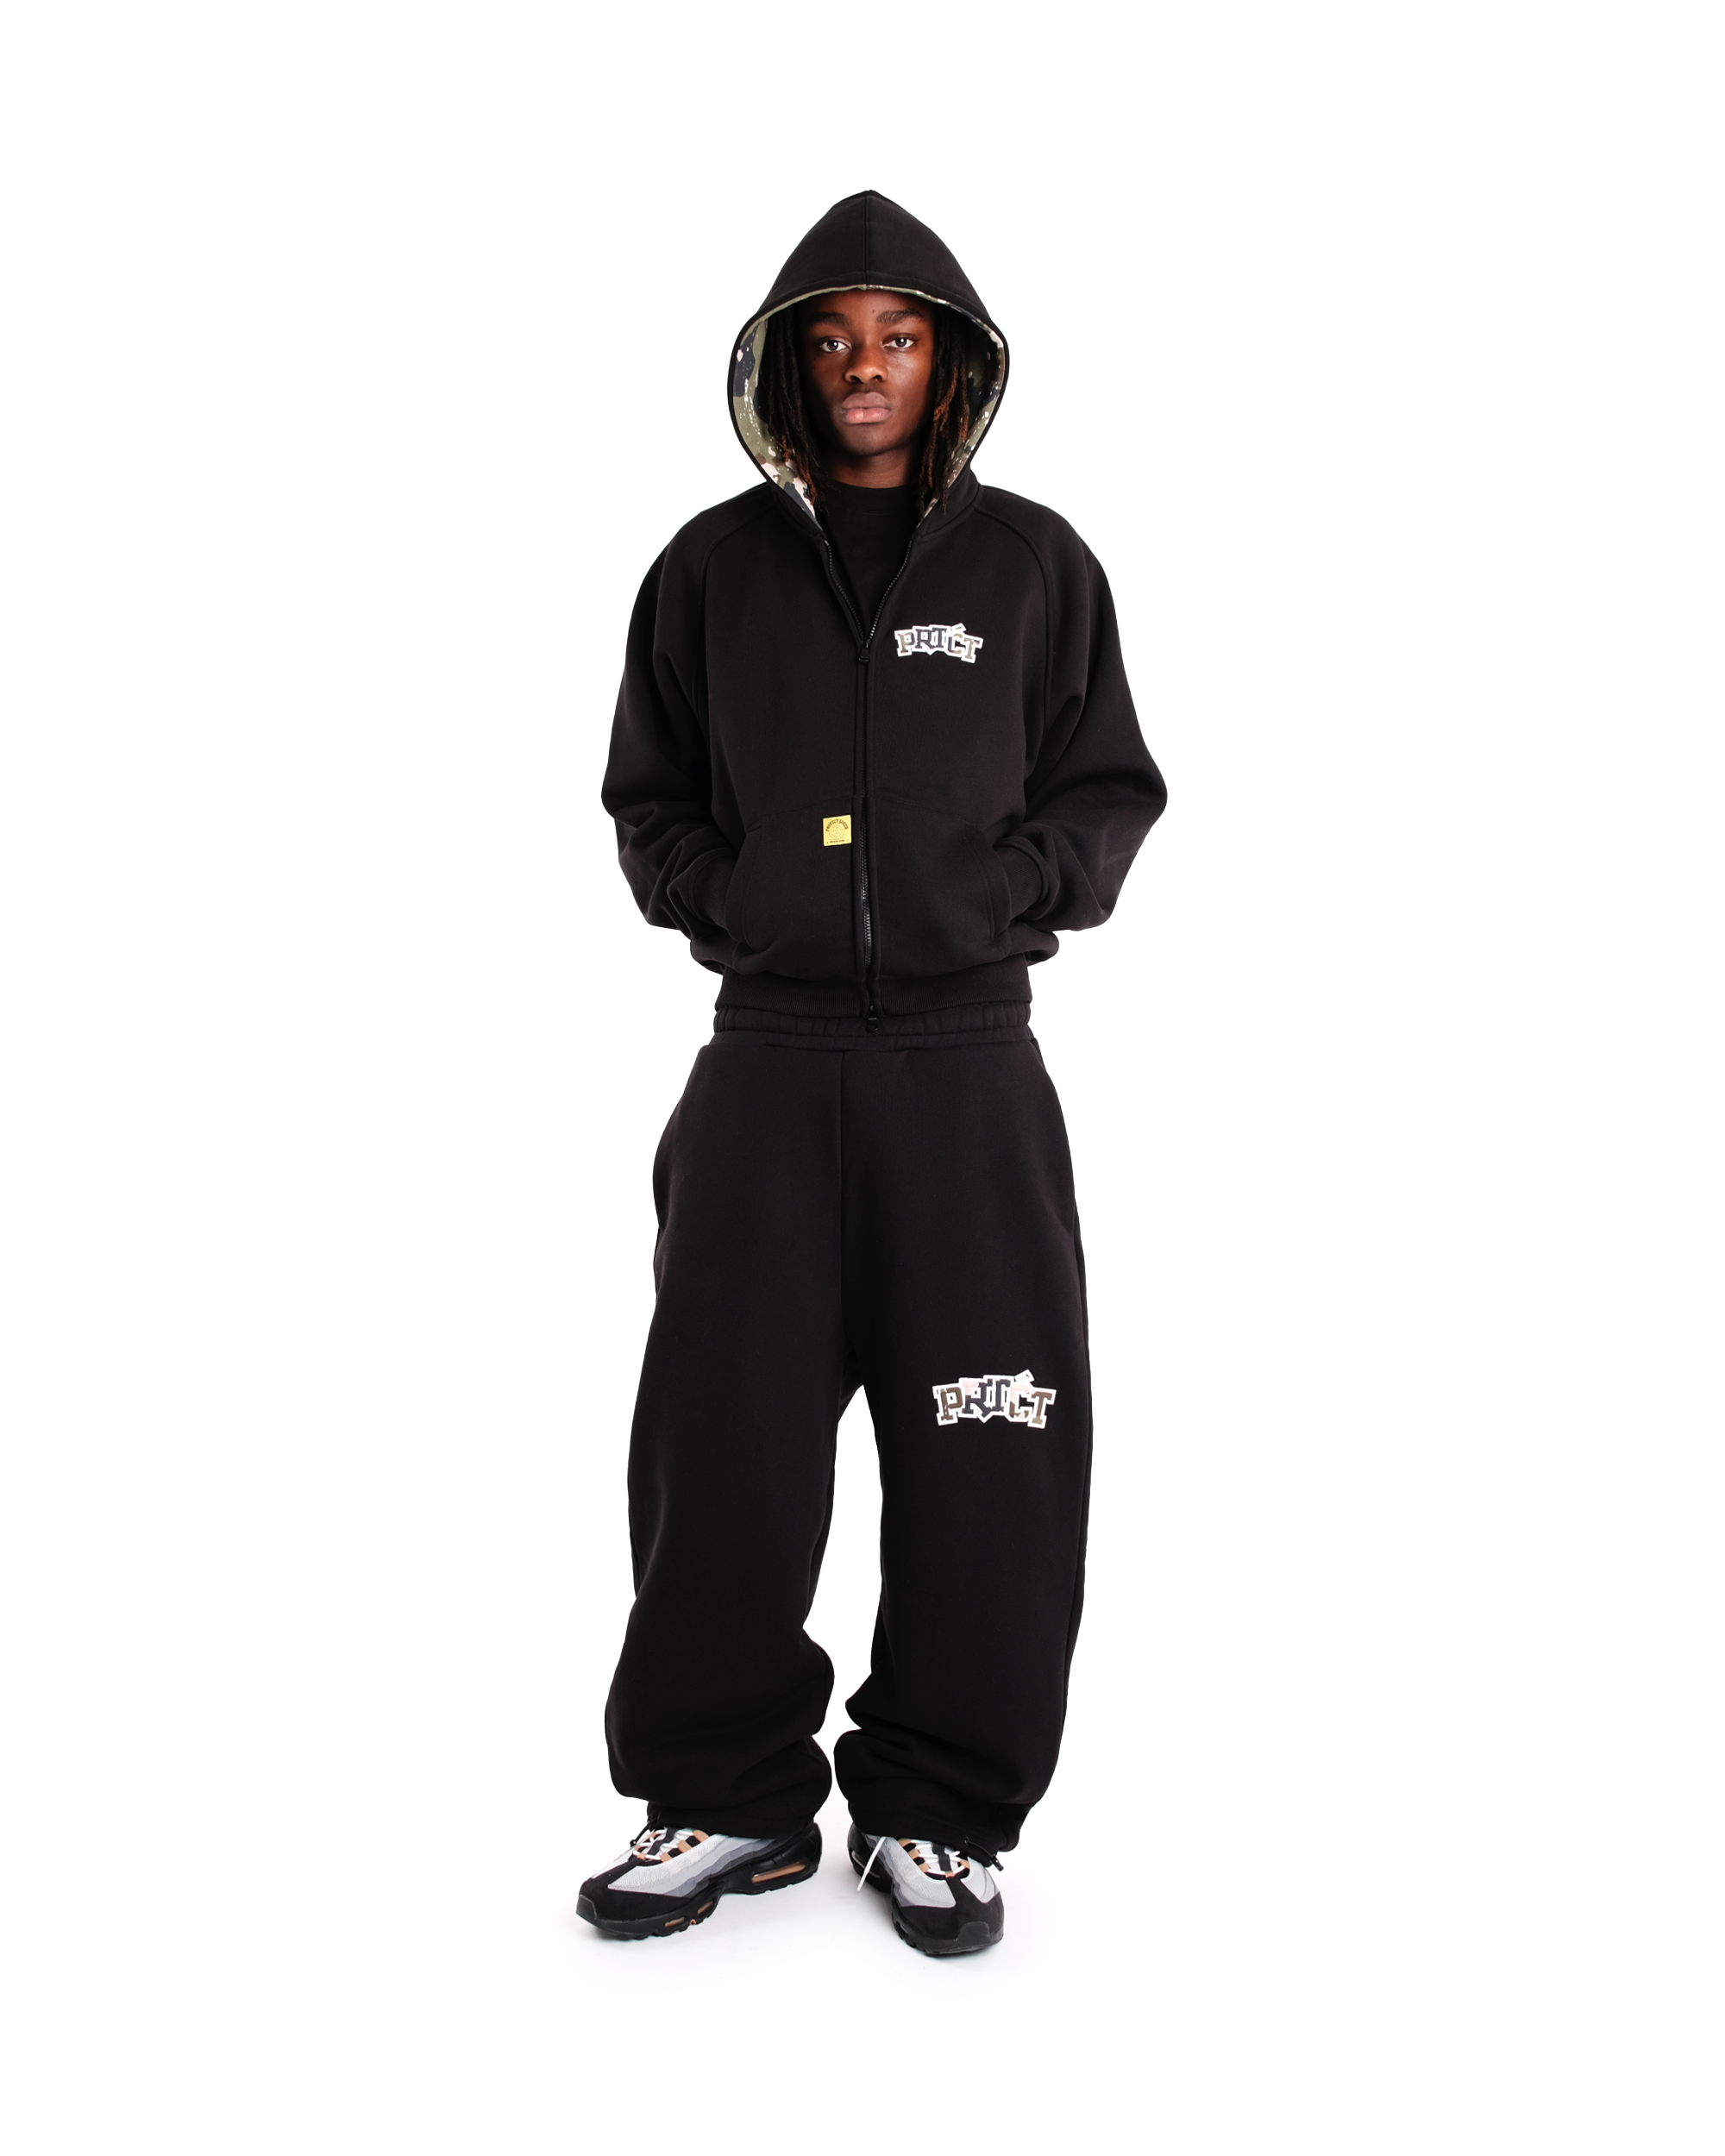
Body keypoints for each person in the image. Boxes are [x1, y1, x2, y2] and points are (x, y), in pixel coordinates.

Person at [580, 191, 1166, 1954]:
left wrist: (992, 895)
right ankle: (728, 1796)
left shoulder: (1034, 567)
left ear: (950, 366)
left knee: (993, 1444)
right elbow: (647, 798)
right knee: (723, 1444)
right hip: (764, 1069)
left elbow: (1105, 791)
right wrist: (738, 901)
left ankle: (939, 1809)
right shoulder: (708, 570)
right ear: (786, 366)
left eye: (897, 339)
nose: (863, 368)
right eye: (833, 341)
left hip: (969, 1075)